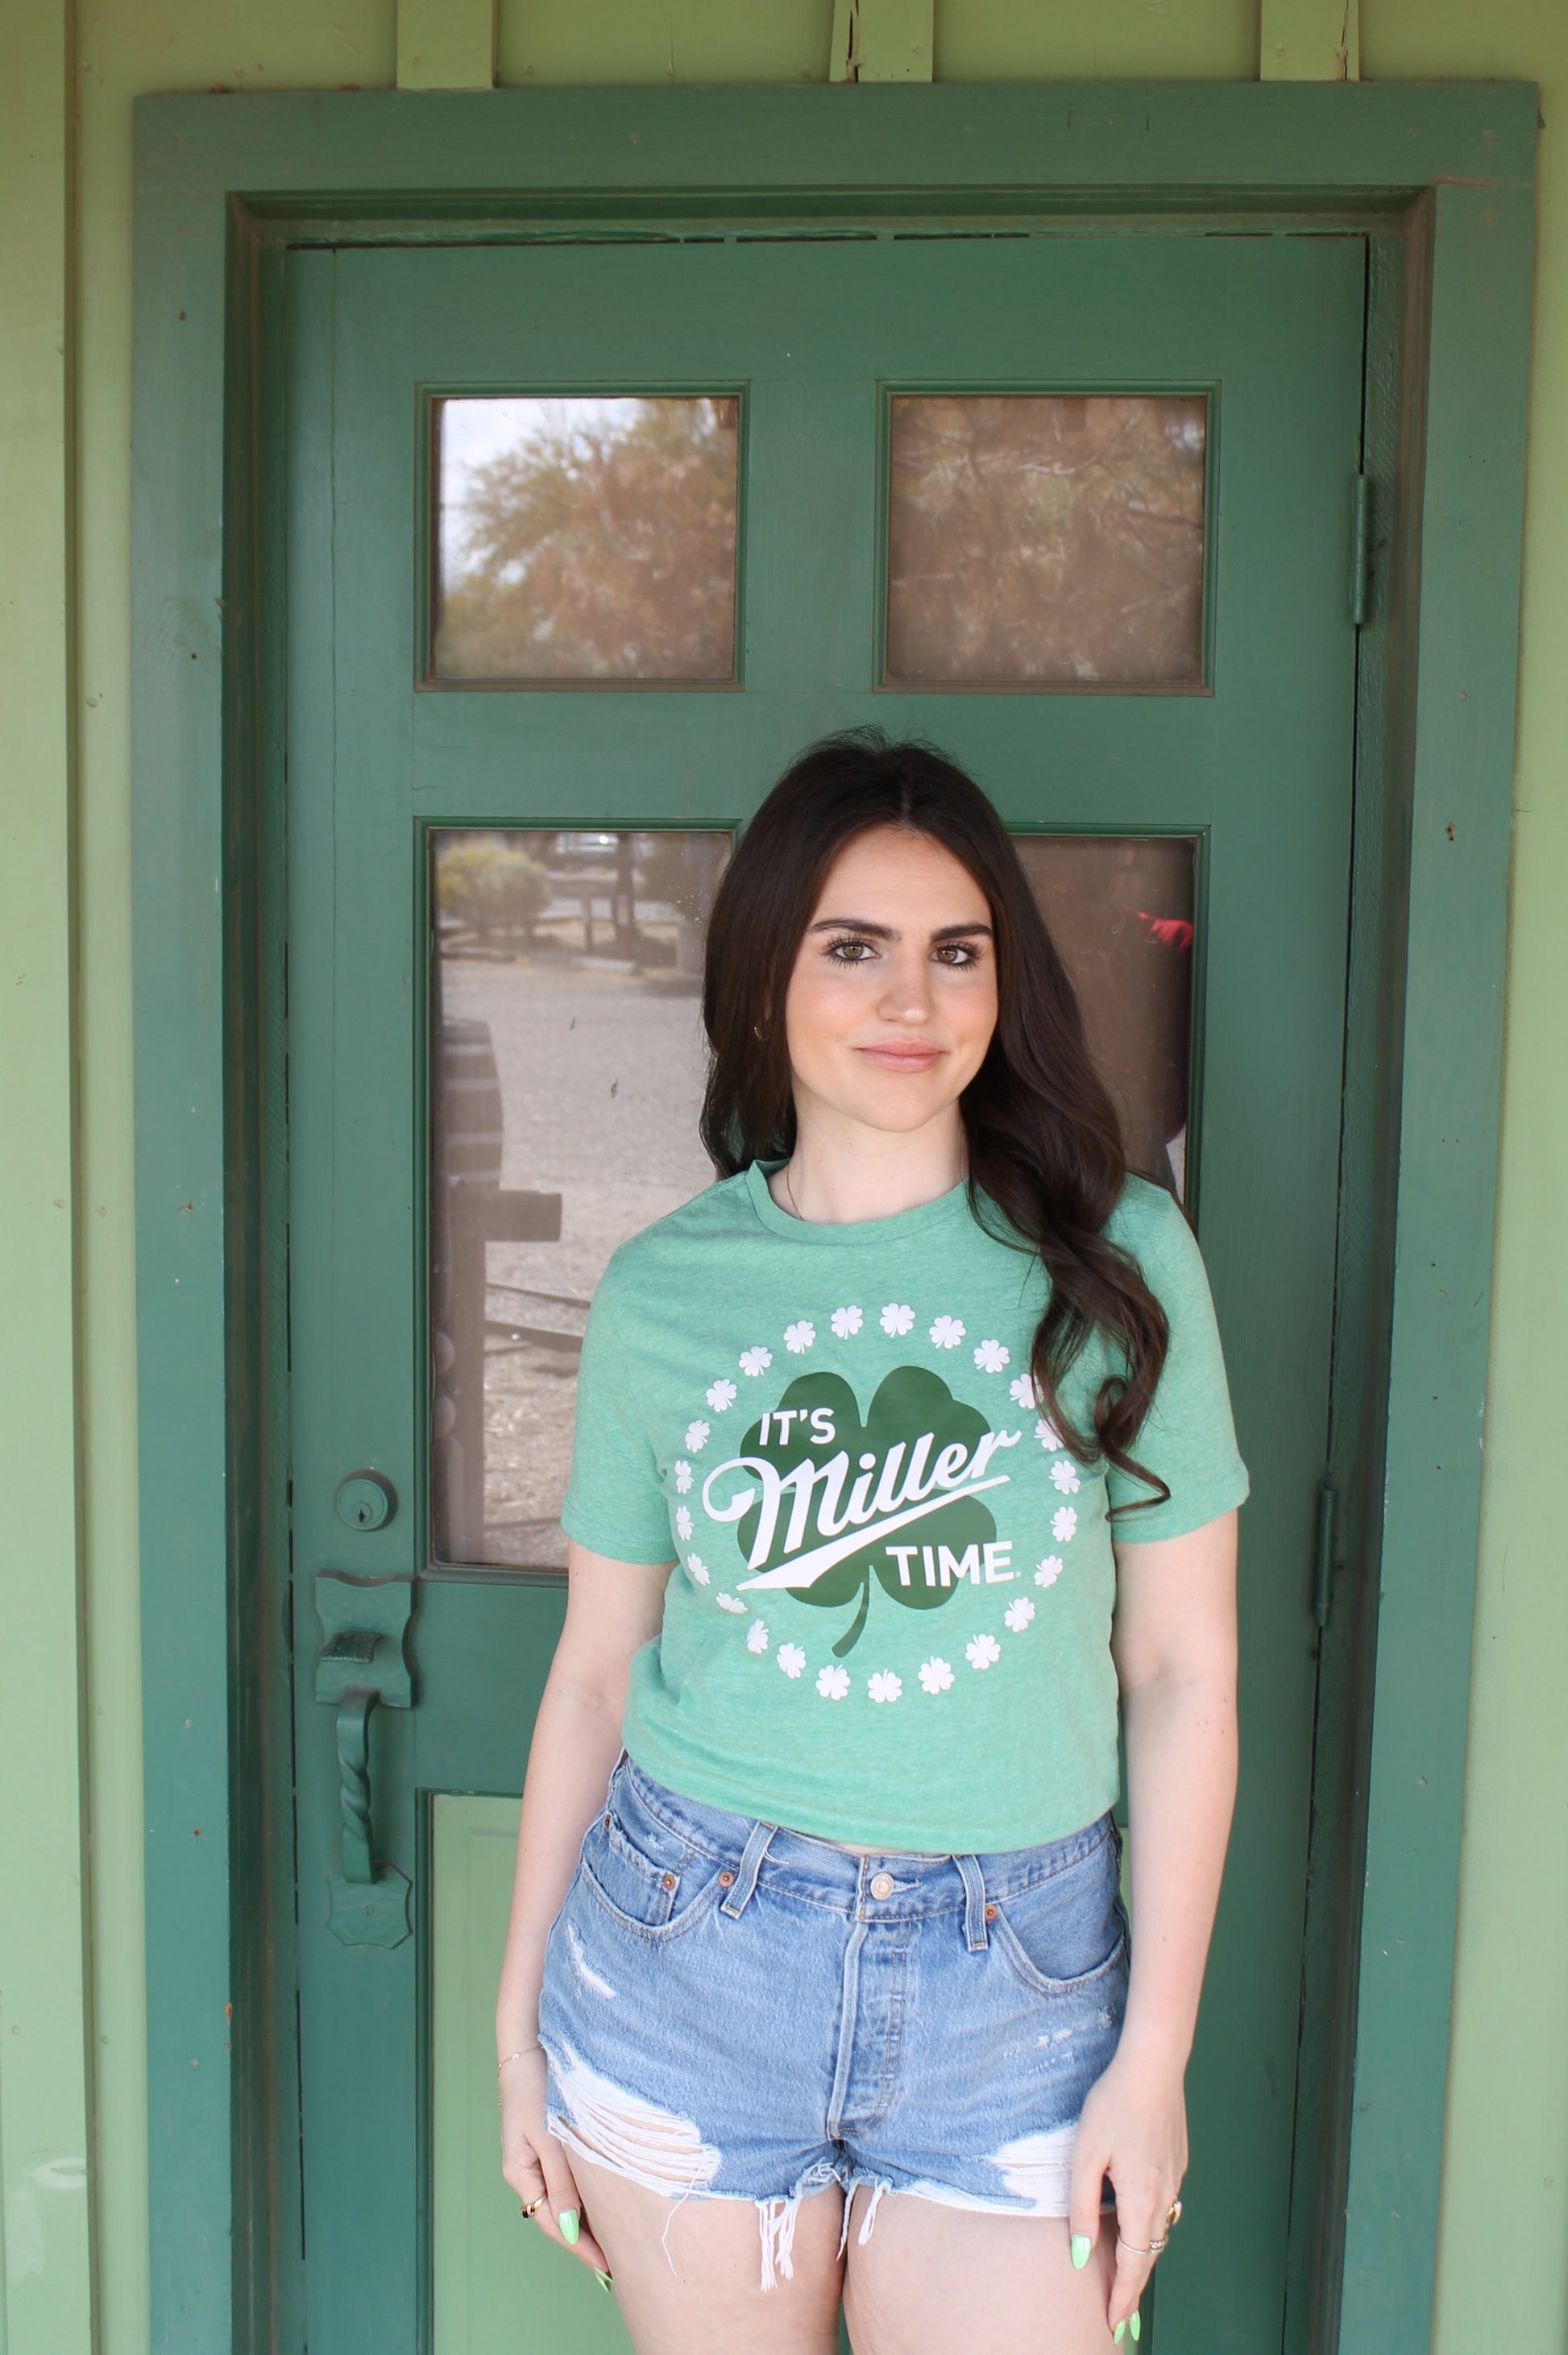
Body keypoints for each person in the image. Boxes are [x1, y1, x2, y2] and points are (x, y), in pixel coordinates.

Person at [496, 732, 1245, 2354]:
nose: (912, 998)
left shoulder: (1117, 1260)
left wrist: (1155, 2058)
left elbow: (1183, 1668)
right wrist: (511, 2031)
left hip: (1018, 1982)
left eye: (955, 951)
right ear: (765, 975)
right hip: (688, 1946)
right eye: (853, 948)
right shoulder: (665, 1291)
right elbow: (598, 1670)